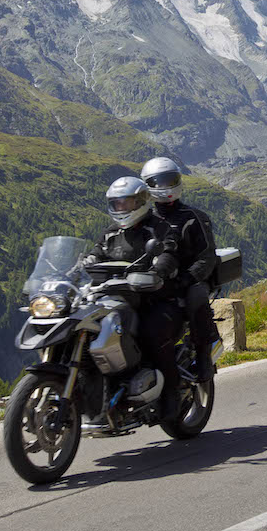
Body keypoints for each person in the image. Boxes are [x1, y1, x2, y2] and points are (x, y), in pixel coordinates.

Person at [87, 175, 184, 419]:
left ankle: (172, 392)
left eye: (126, 203)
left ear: (140, 202)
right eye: (116, 204)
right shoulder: (110, 233)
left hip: (154, 298)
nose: (121, 209)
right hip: (116, 299)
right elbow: (95, 254)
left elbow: (168, 252)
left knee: (154, 332)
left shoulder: (159, 227)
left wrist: (158, 270)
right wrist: (85, 264)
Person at [139, 156, 222, 385]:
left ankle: (203, 353)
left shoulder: (194, 218)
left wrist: (189, 278)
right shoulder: (145, 219)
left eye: (170, 180)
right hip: (154, 279)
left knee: (196, 296)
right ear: (148, 185)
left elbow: (207, 255)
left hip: (191, 278)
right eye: (159, 182)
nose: (165, 187)